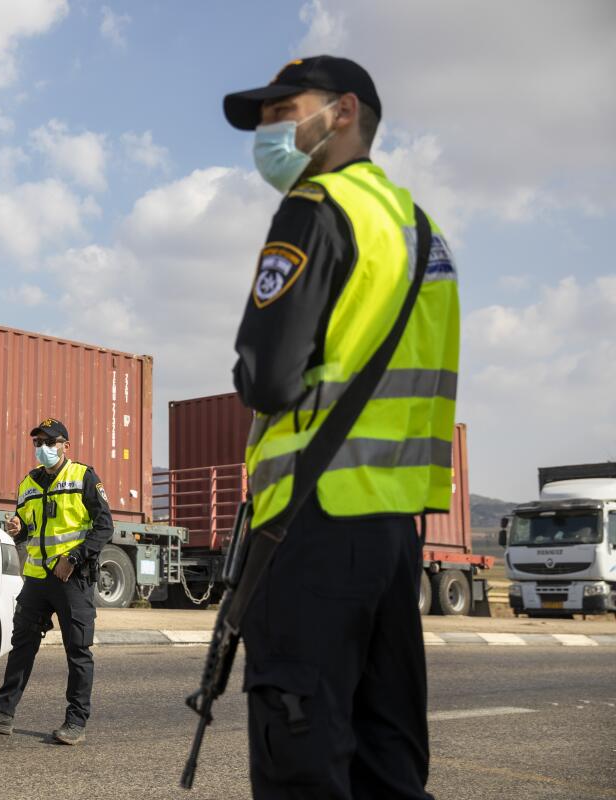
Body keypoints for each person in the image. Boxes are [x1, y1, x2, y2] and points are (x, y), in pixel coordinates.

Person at [223, 56, 459, 798]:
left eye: (282, 109)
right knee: (387, 755)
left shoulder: (317, 205)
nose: (269, 128)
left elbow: (267, 375)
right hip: (392, 533)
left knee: (302, 755)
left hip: (312, 523)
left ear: (344, 112)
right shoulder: (421, 232)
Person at [0, 418, 113, 745]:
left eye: (49, 442)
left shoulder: (83, 476)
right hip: (37, 579)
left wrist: (73, 558)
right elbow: (31, 530)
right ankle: (2, 713)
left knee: (78, 651)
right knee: (22, 646)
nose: (42, 448)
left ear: (65, 446)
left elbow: (104, 527)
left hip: (73, 578)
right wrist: (19, 529)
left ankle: (76, 721)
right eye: (37, 442)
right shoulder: (27, 483)